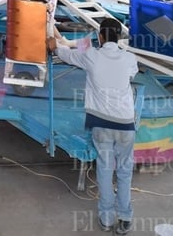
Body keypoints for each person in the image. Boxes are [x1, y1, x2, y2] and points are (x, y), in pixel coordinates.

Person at [46, 19, 138, 235]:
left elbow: (63, 53)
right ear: (119, 37)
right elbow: (130, 73)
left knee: (105, 169)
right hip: (125, 122)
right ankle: (125, 217)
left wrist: (54, 43)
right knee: (124, 170)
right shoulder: (129, 58)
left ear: (101, 37)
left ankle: (106, 218)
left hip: (101, 122)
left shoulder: (90, 55)